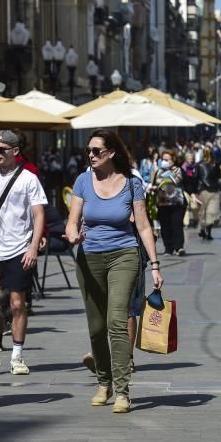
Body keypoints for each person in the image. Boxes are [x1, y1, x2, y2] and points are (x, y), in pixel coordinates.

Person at [67, 130, 162, 414]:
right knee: (96, 328)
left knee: (116, 321)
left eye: (96, 151)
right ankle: (103, 383)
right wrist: (72, 236)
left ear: (111, 153)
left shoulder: (131, 183)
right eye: (89, 151)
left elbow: (143, 226)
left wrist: (155, 265)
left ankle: (123, 390)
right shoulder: (83, 181)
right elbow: (72, 222)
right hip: (89, 258)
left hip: (124, 255)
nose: (91, 156)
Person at [0, 130, 47, 375]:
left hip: (19, 248)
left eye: (2, 149)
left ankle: (17, 356)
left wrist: (33, 245)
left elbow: (39, 213)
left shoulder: (29, 179)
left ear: (15, 151)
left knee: (18, 303)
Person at [151, 150, 186, 255]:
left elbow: (174, 180)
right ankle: (168, 247)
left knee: (177, 224)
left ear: (173, 160)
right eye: (163, 159)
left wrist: (160, 181)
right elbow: (155, 183)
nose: (164, 161)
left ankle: (179, 247)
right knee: (165, 226)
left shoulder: (177, 170)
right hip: (162, 202)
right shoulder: (159, 171)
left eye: (166, 160)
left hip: (176, 202)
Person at [196, 147, 221, 241]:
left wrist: (216, 166)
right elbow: (196, 178)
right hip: (203, 190)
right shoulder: (199, 165)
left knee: (211, 212)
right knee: (202, 213)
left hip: (214, 190)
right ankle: (202, 229)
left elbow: (218, 176)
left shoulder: (214, 164)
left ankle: (208, 232)